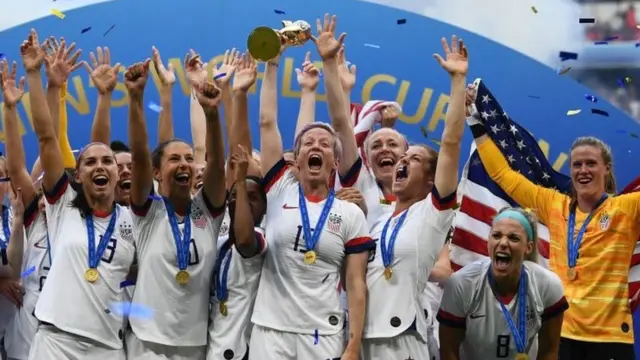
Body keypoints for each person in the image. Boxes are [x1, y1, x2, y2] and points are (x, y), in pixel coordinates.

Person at [466, 84, 640, 359]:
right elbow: (502, 174)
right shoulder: (553, 205)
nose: (583, 170)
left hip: (611, 340)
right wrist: (476, 124)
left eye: (591, 164)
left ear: (606, 169)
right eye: (577, 164)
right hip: (558, 336)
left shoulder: (627, 207)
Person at [251, 14, 374, 359]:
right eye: (308, 143)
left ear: (336, 163)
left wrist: (353, 344)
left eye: (325, 143)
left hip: (323, 334)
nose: (317, 146)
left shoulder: (350, 212)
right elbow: (266, 121)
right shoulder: (279, 188)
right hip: (269, 332)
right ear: (296, 156)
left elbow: (355, 284)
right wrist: (272, 63)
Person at [22, 30, 135, 360]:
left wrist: (104, 97)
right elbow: (46, 139)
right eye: (90, 163)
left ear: (118, 172)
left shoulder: (135, 219)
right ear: (78, 174)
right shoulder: (63, 206)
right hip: (56, 343)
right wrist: (39, 78)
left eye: (107, 162)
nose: (99, 167)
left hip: (109, 348)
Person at [359, 35, 466, 360]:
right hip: (364, 338)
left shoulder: (432, 214)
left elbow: (449, 144)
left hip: (404, 341)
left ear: (432, 179)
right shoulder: (377, 224)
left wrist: (458, 81)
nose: (403, 160)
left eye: (414, 158)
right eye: (405, 159)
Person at [124, 49, 226, 359]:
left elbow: (215, 162)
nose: (185, 164)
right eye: (174, 159)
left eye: (188, 159)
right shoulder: (147, 210)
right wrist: (136, 99)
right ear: (157, 172)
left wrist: (211, 113)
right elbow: (140, 155)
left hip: (194, 344)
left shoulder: (207, 213)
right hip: (145, 343)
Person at [438, 207, 568, 360]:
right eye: (496, 235)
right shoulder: (462, 284)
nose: (503, 243)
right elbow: (448, 351)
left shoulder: (547, 285)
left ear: (528, 247)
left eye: (513, 238)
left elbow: (549, 352)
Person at [207, 145, 267, 360]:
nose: (239, 200)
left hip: (243, 351)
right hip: (212, 346)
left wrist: (240, 181)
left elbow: (244, 239)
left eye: (252, 197)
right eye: (234, 195)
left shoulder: (261, 240)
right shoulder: (218, 245)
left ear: (265, 208)